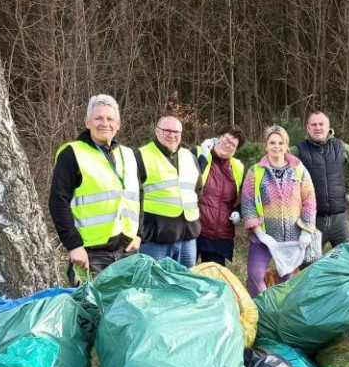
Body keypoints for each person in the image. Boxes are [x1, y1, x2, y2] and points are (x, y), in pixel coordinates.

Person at [49, 94, 141, 284]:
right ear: (87, 122)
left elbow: (139, 195)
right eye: (98, 118)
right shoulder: (72, 153)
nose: (104, 123)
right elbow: (58, 202)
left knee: (125, 310)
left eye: (110, 119)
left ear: (118, 124)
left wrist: (139, 234)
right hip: (91, 254)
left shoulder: (129, 154)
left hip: (127, 251)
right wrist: (74, 246)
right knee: (90, 311)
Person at [241, 125, 317, 296]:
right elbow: (247, 203)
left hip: (291, 238)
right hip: (263, 238)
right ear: (266, 146)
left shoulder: (299, 170)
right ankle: (261, 311)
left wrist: (306, 230)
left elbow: (309, 201)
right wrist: (259, 233)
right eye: (272, 142)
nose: (277, 146)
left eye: (280, 142)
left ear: (286, 145)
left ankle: (279, 315)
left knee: (286, 279)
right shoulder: (255, 172)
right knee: (255, 275)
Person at [292, 111, 349, 248]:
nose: (318, 127)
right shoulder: (298, 150)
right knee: (308, 265)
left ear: (328, 127)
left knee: (348, 261)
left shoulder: (341, 147)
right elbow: (277, 158)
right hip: (312, 221)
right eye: (313, 124)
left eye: (321, 124)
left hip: (339, 219)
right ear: (307, 128)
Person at [135, 116, 203, 267]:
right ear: (157, 132)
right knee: (154, 285)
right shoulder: (141, 156)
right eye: (167, 130)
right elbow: (132, 198)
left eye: (176, 131)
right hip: (155, 239)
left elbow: (198, 191)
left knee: (185, 284)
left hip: (188, 238)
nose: (172, 135)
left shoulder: (190, 157)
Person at [194, 125, 247, 266]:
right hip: (193, 230)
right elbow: (188, 183)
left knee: (214, 281)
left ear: (235, 150)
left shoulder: (238, 167)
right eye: (226, 139)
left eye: (232, 144)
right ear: (218, 137)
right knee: (185, 276)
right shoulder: (198, 153)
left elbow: (245, 196)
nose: (227, 145)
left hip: (219, 236)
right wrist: (203, 157)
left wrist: (238, 212)